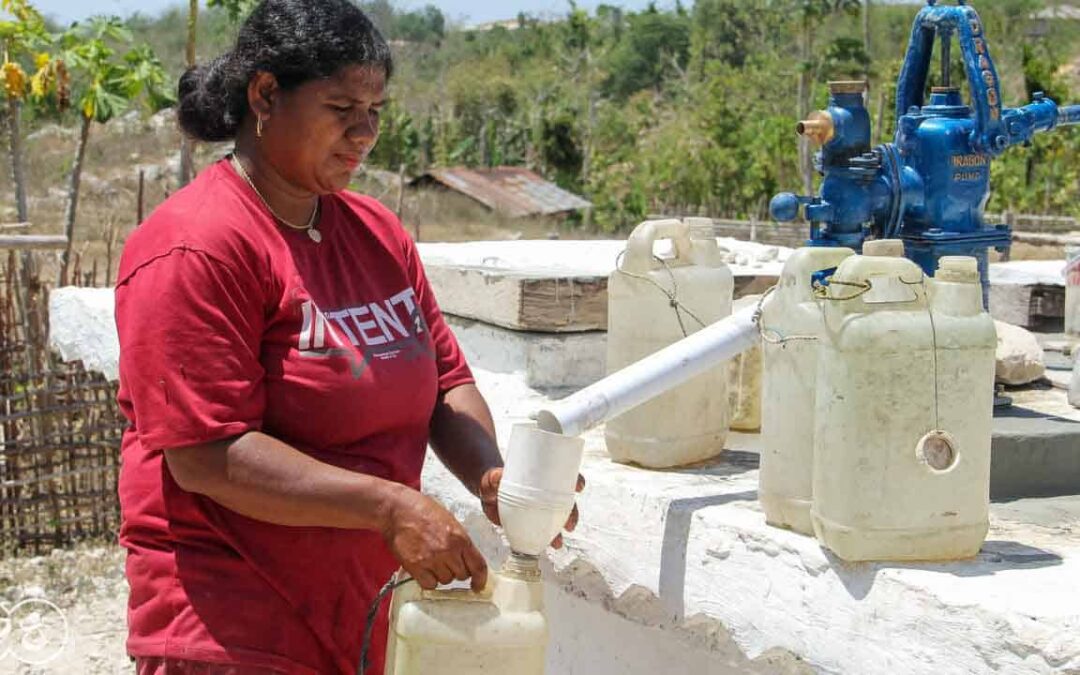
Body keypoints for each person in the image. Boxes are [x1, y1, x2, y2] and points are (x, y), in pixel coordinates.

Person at [113, 2, 578, 673]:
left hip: (357, 613)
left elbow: (445, 383)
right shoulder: (196, 246)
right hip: (231, 626)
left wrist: (491, 475)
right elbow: (206, 455)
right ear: (266, 94)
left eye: (376, 111)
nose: (364, 132)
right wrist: (390, 506)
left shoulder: (377, 235)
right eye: (341, 107)